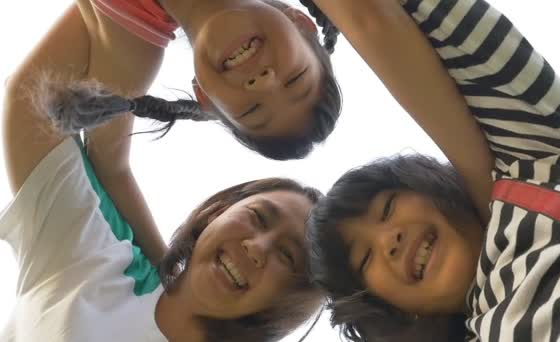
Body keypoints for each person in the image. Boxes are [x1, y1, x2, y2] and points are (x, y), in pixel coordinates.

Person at [1, 5, 324, 342]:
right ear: (216, 213)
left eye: (287, 256)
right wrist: (143, 20)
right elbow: (33, 105)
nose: (257, 247)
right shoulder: (97, 258)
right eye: (257, 217)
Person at [306, 0, 560, 340]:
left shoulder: (539, 164)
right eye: (364, 259)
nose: (388, 240)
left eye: (387, 208)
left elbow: (414, 16)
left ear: (429, 185)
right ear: (393, 308)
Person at [64, 0, 342, 160]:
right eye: (295, 79)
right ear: (301, 23)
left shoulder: (130, 41)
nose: (263, 82)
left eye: (252, 109)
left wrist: (170, 261)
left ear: (204, 96)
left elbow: (110, 165)